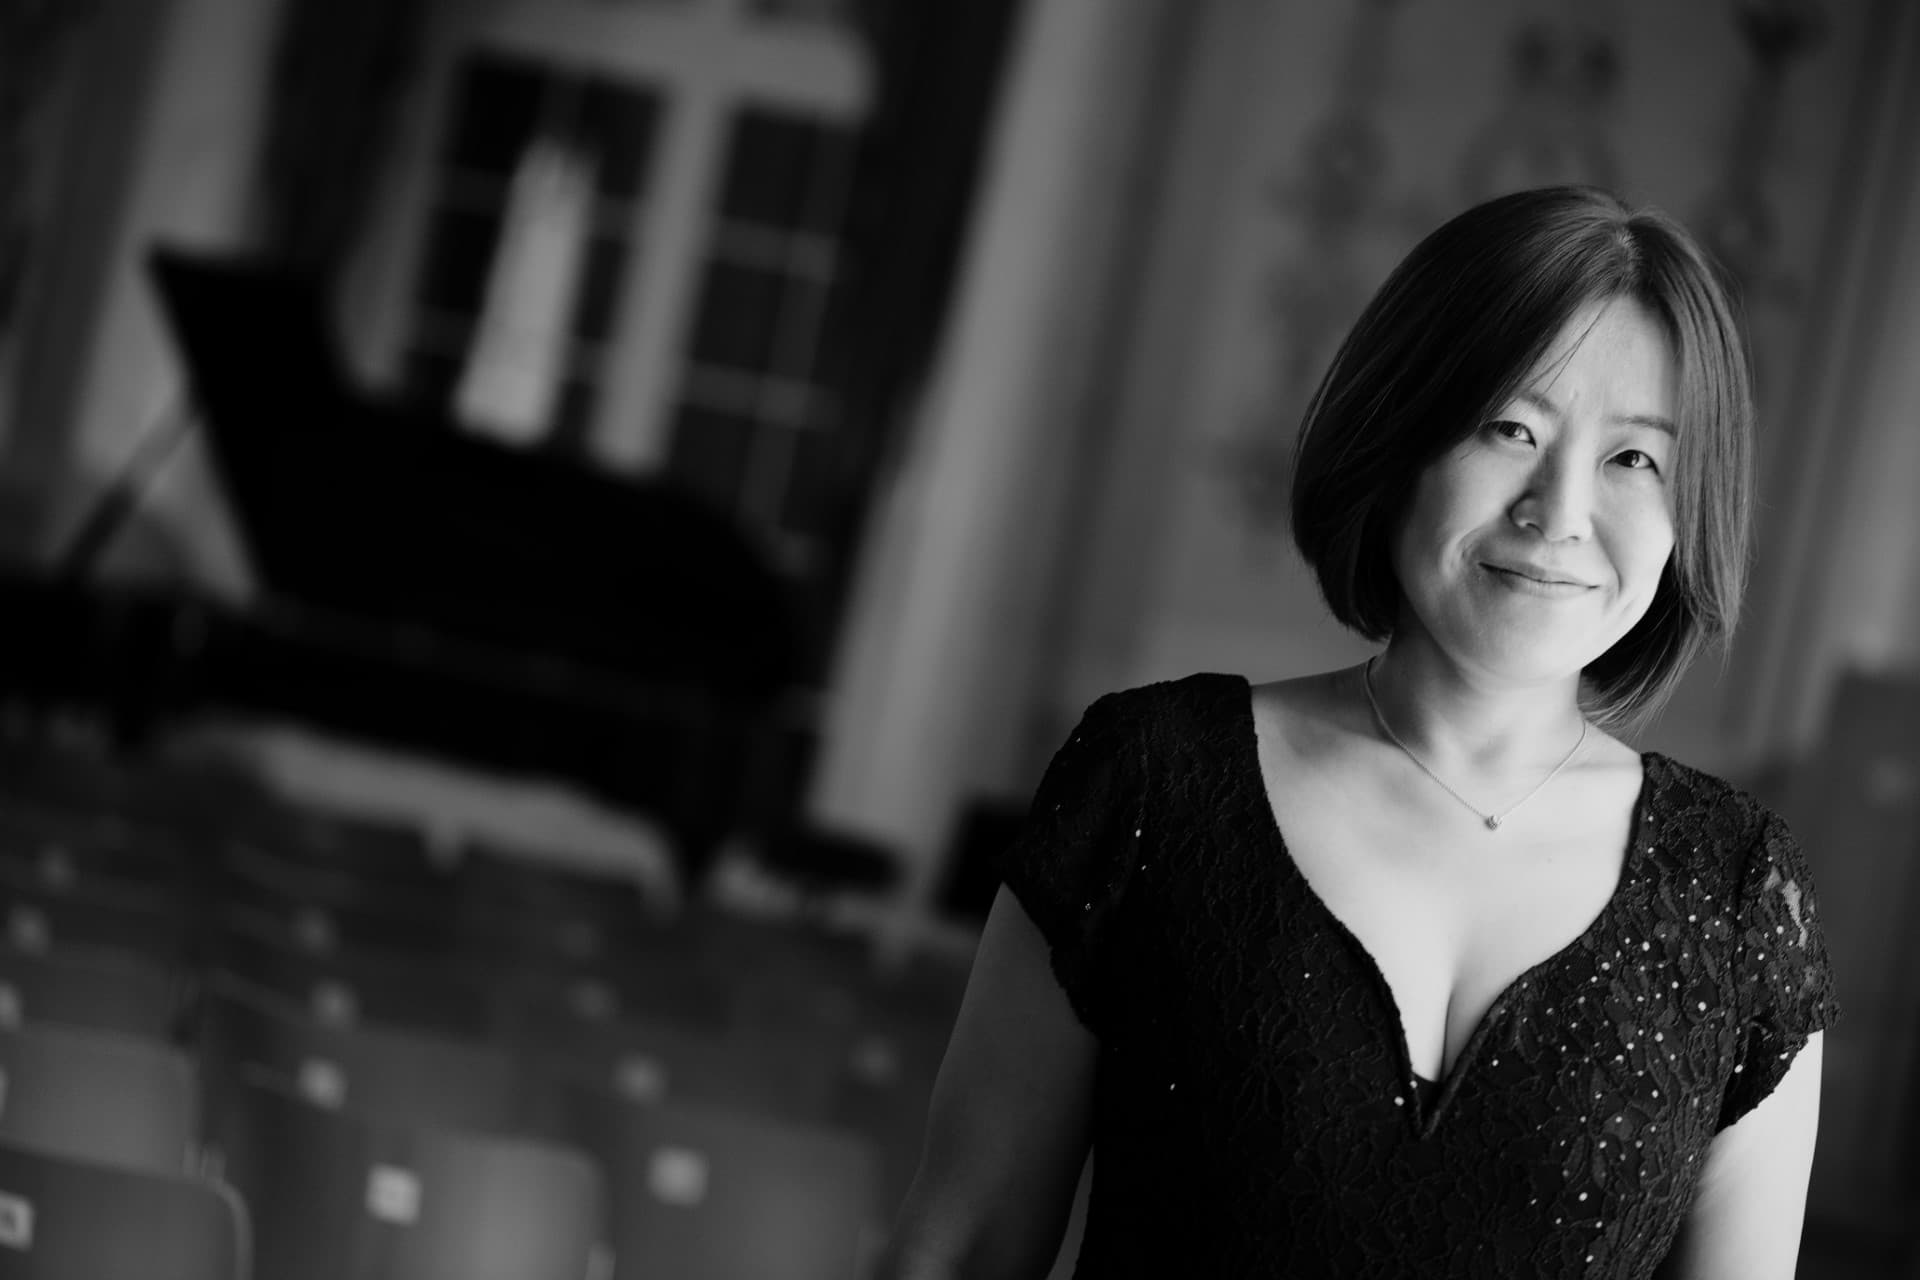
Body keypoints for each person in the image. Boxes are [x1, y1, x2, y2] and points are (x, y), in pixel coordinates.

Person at [872, 186, 1839, 1279]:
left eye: (1635, 459)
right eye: (1509, 429)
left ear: (1686, 511)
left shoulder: (1738, 895)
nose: (1558, 511)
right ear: (1399, 441)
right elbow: (957, 1250)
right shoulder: (1151, 781)